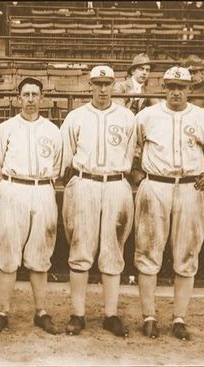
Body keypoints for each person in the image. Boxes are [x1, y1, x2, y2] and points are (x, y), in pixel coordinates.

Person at [132, 66, 204, 341]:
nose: (176, 91)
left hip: (189, 186)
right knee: (148, 251)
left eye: (182, 87)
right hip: (156, 185)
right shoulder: (147, 116)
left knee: (187, 254)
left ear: (189, 89)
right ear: (163, 87)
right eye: (171, 86)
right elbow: (133, 148)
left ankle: (179, 317)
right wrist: (139, 175)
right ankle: (149, 316)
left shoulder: (200, 116)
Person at [60, 65, 136, 338]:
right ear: (89, 85)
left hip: (116, 183)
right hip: (84, 182)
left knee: (113, 249)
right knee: (80, 248)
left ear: (114, 85)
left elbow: (131, 152)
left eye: (107, 84)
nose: (103, 89)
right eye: (97, 84)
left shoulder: (127, 117)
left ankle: (110, 314)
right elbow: (65, 157)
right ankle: (78, 314)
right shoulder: (76, 117)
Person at [0, 77, 62, 335]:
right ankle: (3, 311)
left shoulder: (53, 130)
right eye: (26, 94)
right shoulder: (6, 128)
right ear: (18, 98)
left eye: (35, 94)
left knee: (40, 254)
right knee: (8, 253)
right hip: (12, 188)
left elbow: (57, 166)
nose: (30, 99)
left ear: (42, 98)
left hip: (42, 189)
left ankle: (41, 311)